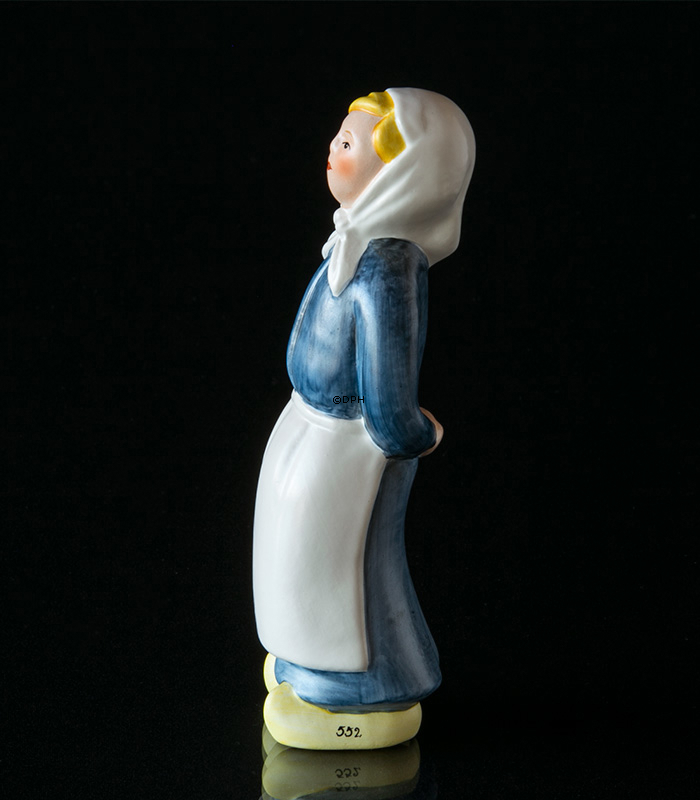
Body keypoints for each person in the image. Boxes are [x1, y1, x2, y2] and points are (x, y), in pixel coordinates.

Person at [253, 88, 475, 749]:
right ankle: (304, 662)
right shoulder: (357, 239)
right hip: (311, 428)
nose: (333, 147)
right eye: (341, 136)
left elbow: (388, 377)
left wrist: (409, 433)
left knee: (340, 566)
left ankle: (363, 689)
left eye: (349, 143)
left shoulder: (390, 265)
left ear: (404, 175)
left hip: (349, 447)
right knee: (298, 559)